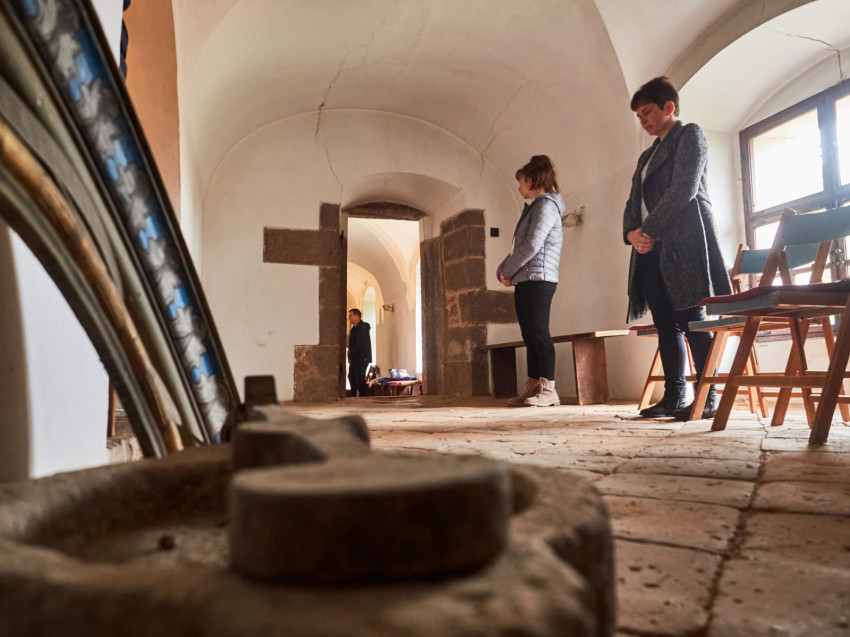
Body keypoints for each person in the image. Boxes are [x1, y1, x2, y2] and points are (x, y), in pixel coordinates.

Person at [623, 77, 731, 420]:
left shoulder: (689, 135)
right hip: (649, 246)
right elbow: (632, 202)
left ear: (669, 107)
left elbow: (684, 189)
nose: (642, 119)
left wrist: (647, 230)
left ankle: (708, 396)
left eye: (647, 111)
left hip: (684, 240)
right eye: (638, 115)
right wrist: (631, 234)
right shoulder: (646, 156)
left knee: (690, 317)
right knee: (664, 322)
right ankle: (673, 397)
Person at [497, 155, 565, 407]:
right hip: (527, 278)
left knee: (539, 333)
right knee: (529, 335)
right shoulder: (537, 207)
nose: (519, 188)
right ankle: (534, 388)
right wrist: (503, 270)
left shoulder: (546, 206)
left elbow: (532, 245)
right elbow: (520, 246)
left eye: (521, 182)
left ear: (532, 180)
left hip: (540, 278)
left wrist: (508, 271)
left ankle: (549, 390)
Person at [347, 308, 372, 397]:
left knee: (359, 380)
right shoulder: (354, 329)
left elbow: (360, 345)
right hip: (355, 358)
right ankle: (353, 397)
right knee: (351, 377)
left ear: (357, 316)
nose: (349, 318)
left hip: (361, 358)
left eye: (350, 316)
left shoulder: (363, 327)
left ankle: (363, 398)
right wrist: (350, 356)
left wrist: (350, 355)